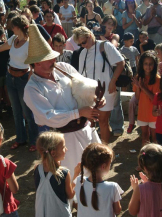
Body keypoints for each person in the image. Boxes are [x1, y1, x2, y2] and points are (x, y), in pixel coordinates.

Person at [23, 24, 103, 177]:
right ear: (36, 63)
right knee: (74, 179)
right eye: (49, 58)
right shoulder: (31, 89)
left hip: (86, 129)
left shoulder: (64, 67)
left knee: (95, 172)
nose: (54, 59)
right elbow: (50, 117)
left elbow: (84, 88)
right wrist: (79, 112)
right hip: (63, 142)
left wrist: (95, 98)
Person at [0, 15, 39, 152]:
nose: (10, 28)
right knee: (16, 110)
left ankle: (34, 140)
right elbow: (4, 47)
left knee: (27, 111)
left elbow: (35, 63)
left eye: (12, 26)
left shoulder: (30, 43)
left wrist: (30, 77)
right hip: (11, 77)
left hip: (23, 78)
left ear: (18, 27)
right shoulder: (14, 39)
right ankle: (20, 139)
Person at [76, 26, 125, 143]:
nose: (83, 45)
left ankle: (104, 150)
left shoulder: (105, 46)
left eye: (84, 42)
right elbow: (80, 75)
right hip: (89, 92)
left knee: (103, 121)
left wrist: (113, 81)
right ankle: (92, 149)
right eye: (80, 44)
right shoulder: (82, 53)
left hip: (106, 89)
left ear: (90, 36)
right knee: (90, 122)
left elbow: (120, 63)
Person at [128, 144, 162, 217]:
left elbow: (132, 211)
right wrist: (148, 183)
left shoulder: (141, 189)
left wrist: (135, 189)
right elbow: (159, 195)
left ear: (144, 168)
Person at [75, 143, 123, 217]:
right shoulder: (112, 187)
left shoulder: (79, 181)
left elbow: (77, 204)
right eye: (110, 163)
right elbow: (117, 210)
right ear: (103, 166)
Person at [34, 131, 75, 217]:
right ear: (53, 153)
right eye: (64, 147)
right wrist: (76, 175)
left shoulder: (37, 169)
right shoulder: (64, 173)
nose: (66, 149)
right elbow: (70, 195)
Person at [132, 51, 161, 148]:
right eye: (145, 64)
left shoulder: (158, 80)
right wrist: (138, 87)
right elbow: (137, 97)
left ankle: (157, 156)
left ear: (155, 65)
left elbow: (155, 99)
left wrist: (143, 87)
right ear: (142, 65)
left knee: (155, 137)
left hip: (154, 113)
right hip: (143, 112)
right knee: (144, 136)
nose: (148, 67)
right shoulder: (139, 78)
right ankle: (144, 156)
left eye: (150, 64)